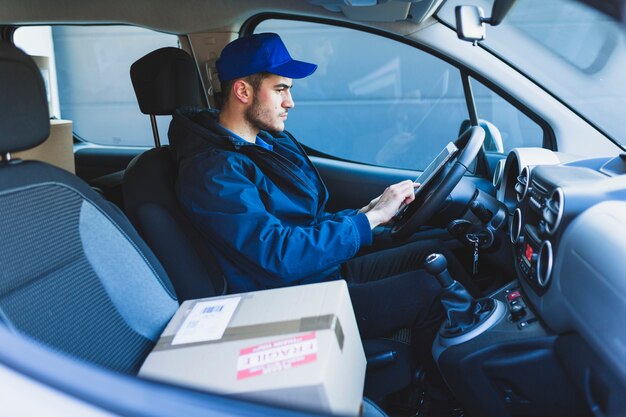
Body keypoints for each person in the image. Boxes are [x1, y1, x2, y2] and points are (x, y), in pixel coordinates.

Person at [171, 32, 472, 396]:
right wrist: (368, 222)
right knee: (432, 288)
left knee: (440, 251)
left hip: (318, 272)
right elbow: (277, 254)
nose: (290, 102)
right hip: (289, 298)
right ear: (243, 92)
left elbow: (304, 223)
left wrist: (368, 212)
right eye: (280, 89)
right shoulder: (214, 172)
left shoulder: (264, 144)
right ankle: (431, 397)